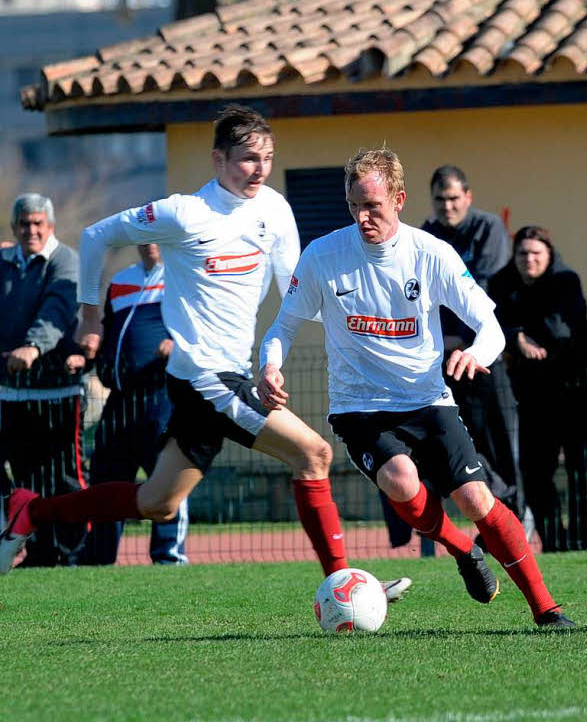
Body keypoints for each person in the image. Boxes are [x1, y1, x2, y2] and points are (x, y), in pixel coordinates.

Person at [0, 106, 410, 601]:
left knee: (157, 503)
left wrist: (362, 321)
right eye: (247, 159)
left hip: (230, 375)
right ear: (218, 160)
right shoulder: (184, 213)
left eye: (267, 158)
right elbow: (95, 236)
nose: (259, 168)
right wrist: (90, 316)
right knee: (315, 453)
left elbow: (297, 292)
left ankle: (30, 510)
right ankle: (345, 587)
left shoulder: (274, 209)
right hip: (203, 377)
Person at [258, 147, 573, 628]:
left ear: (399, 200)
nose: (363, 217)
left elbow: (490, 325)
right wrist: (270, 365)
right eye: (355, 206)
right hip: (359, 407)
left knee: (477, 500)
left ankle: (547, 611)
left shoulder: (431, 254)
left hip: (428, 399)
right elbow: (282, 326)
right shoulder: (323, 256)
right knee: (402, 481)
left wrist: (476, 353)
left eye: (374, 206)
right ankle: (461, 547)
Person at [489, 226, 587, 552]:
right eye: (522, 253)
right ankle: (555, 543)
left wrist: (519, 333)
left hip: (581, 386)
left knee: (581, 466)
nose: (529, 260)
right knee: (535, 469)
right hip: (535, 389)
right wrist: (517, 338)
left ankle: (581, 544)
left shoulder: (565, 280)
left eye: (536, 254)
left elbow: (560, 329)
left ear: (549, 255)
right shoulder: (502, 282)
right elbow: (489, 319)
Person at [421, 165, 524, 523]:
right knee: (453, 440)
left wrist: (460, 339)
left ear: (468, 197)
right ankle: (470, 520)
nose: (447, 206)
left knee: (497, 437)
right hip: (442, 358)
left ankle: (515, 513)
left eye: (453, 199)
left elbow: (481, 287)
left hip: (482, 353)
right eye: (440, 200)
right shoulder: (425, 235)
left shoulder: (489, 228)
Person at [81, 243, 189, 565]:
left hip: (163, 396)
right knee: (106, 479)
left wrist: (180, 345)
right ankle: (98, 560)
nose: (151, 241)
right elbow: (107, 330)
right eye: (144, 233)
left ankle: (168, 558)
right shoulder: (120, 281)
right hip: (120, 398)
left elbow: (207, 328)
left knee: (166, 477)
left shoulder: (183, 276)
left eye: (157, 233)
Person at [0, 193, 87, 568]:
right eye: (24, 224)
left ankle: (70, 554)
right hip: (12, 392)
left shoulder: (64, 260)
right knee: (23, 478)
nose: (31, 230)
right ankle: (35, 551)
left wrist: (34, 347)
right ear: (14, 227)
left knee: (63, 478)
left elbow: (57, 310)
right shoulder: (5, 263)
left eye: (38, 224)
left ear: (50, 226)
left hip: (57, 393)